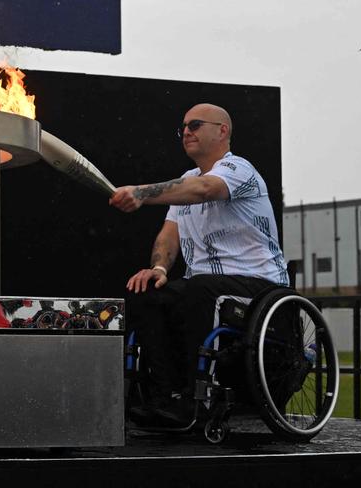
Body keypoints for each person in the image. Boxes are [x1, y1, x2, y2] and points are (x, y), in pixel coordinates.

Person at [109, 103, 289, 429]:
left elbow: (206, 190)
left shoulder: (239, 169)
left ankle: (196, 398)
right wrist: (160, 270)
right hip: (204, 285)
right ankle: (162, 398)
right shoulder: (186, 180)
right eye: (183, 128)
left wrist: (141, 192)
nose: (187, 132)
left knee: (199, 290)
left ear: (222, 131)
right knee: (147, 292)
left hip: (259, 284)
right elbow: (168, 235)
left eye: (195, 124)